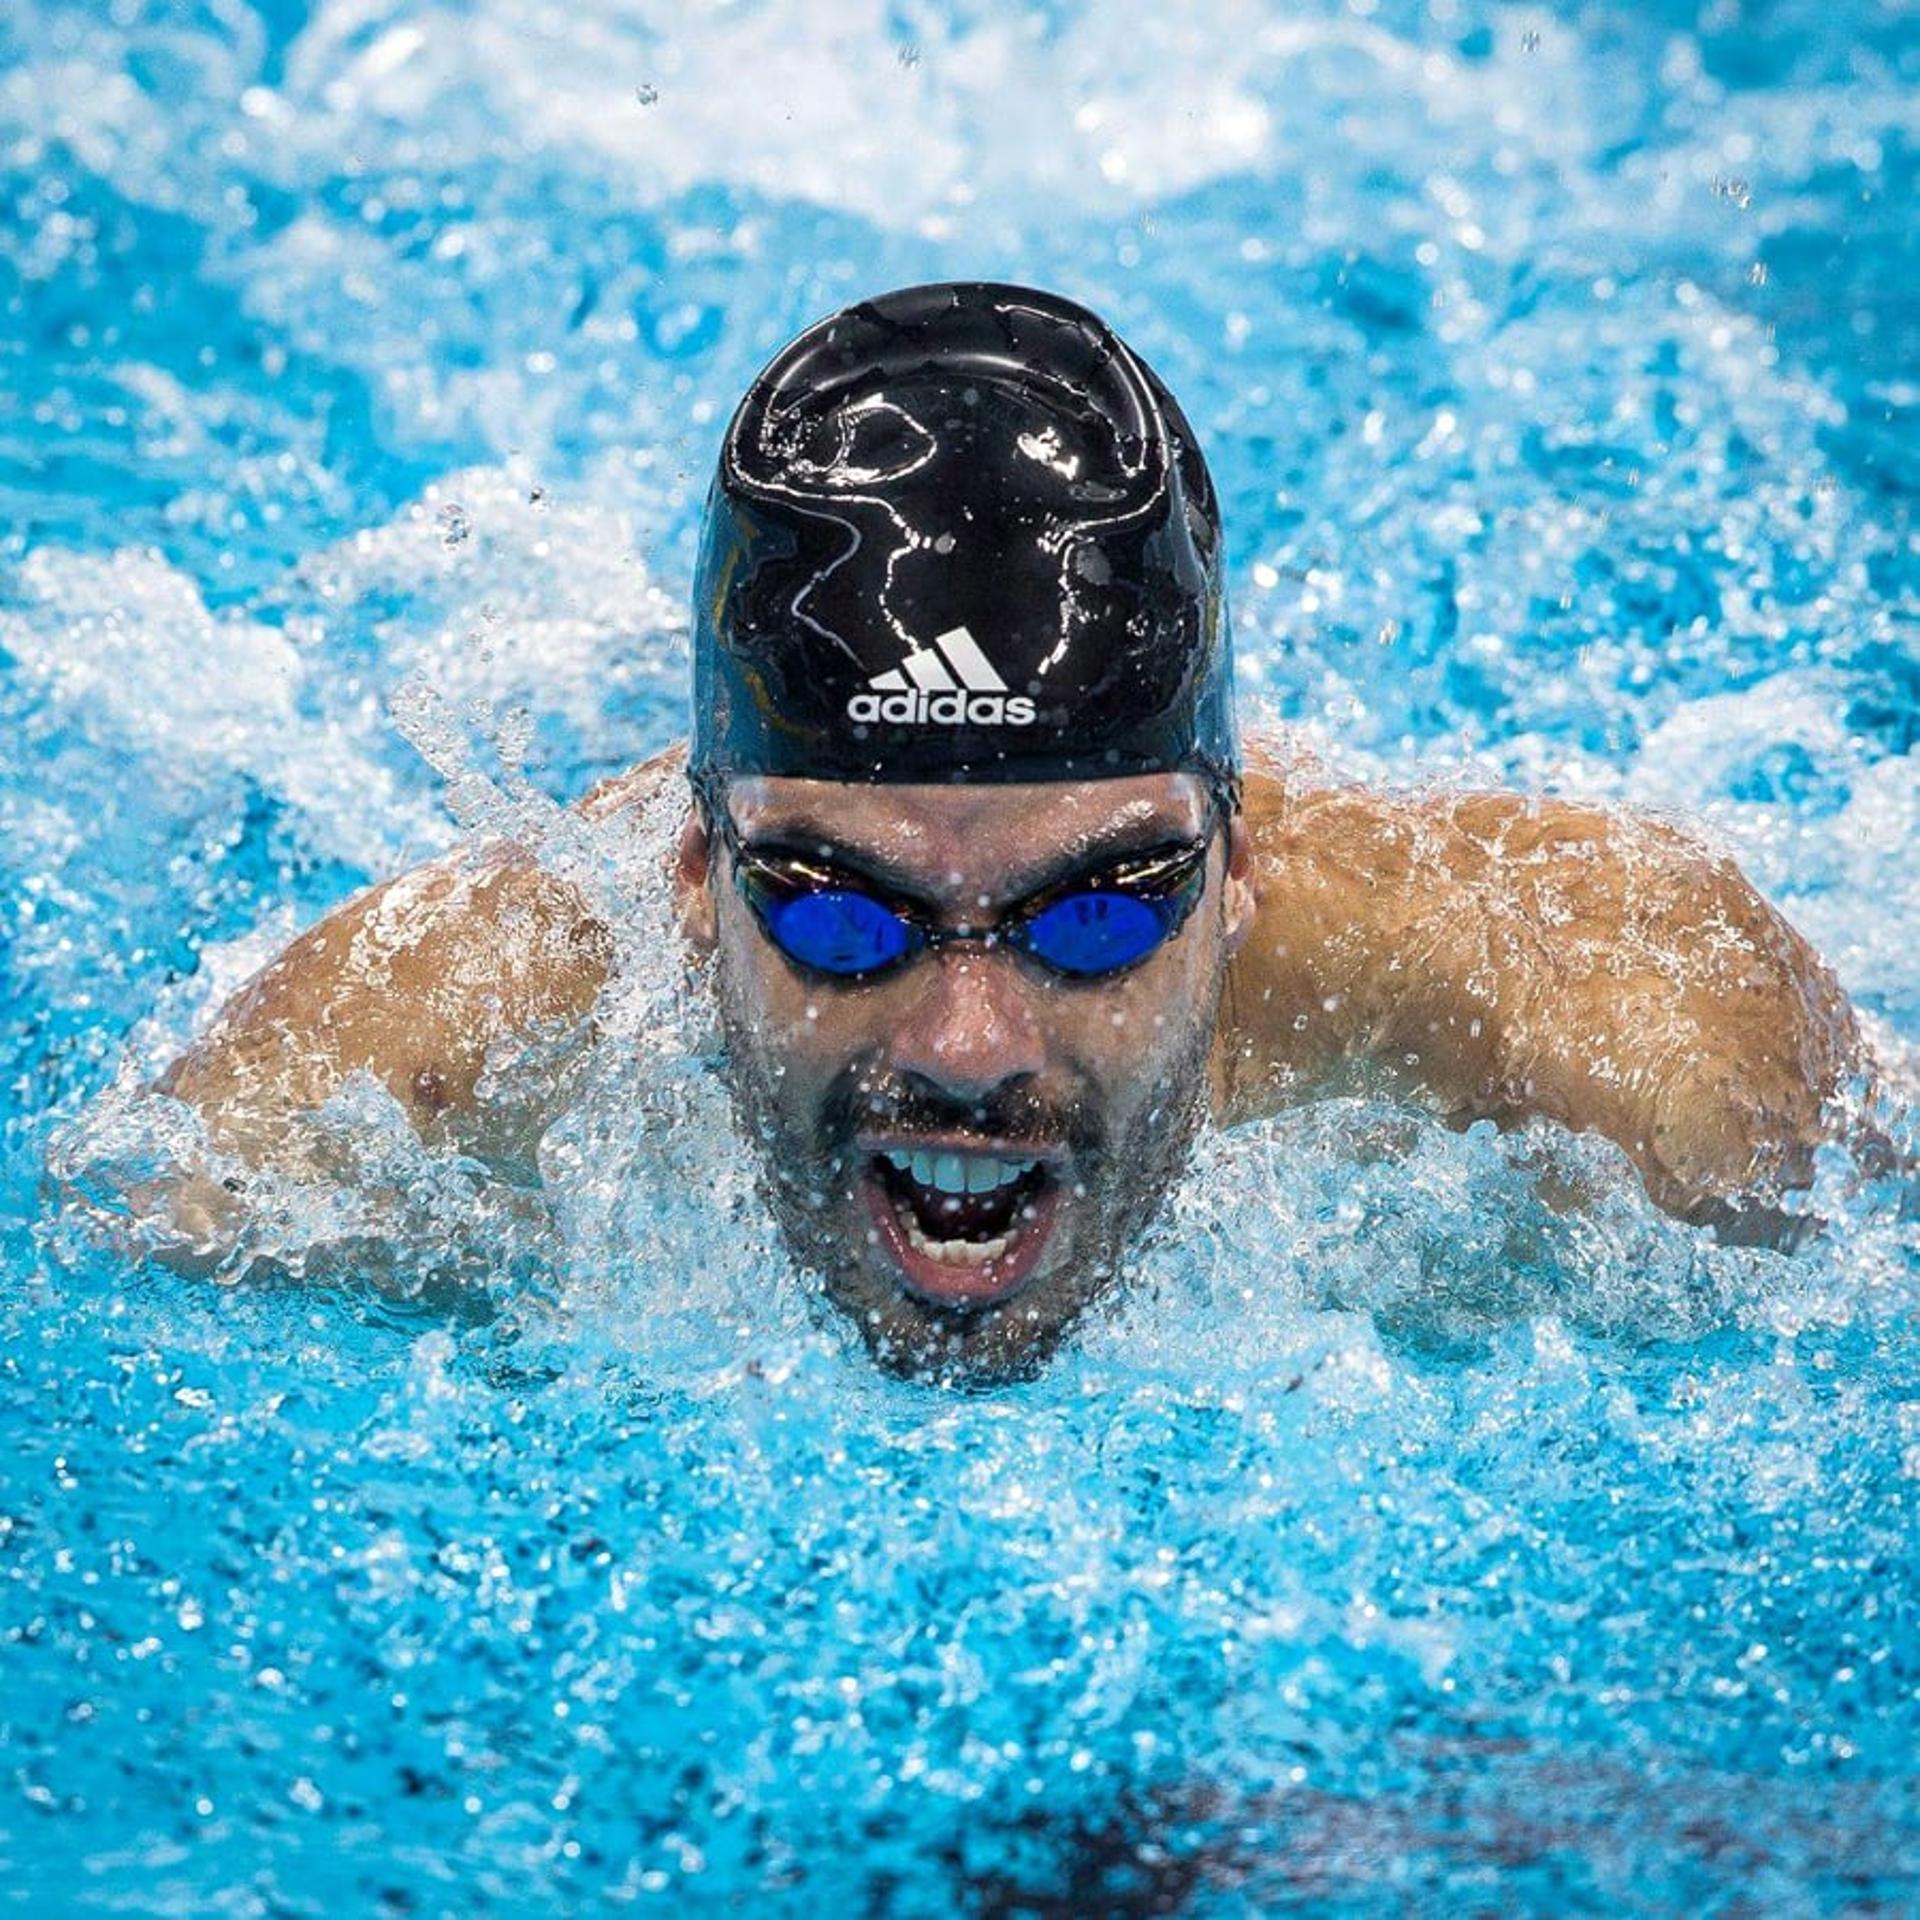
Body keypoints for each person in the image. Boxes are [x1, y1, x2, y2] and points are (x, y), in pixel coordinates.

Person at [149, 282, 1868, 1376]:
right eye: (841, 917)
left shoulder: (1630, 1068)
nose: (969, 1044)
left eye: (1097, 915)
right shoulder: (369, 1104)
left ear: (1239, 870)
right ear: (690, 882)